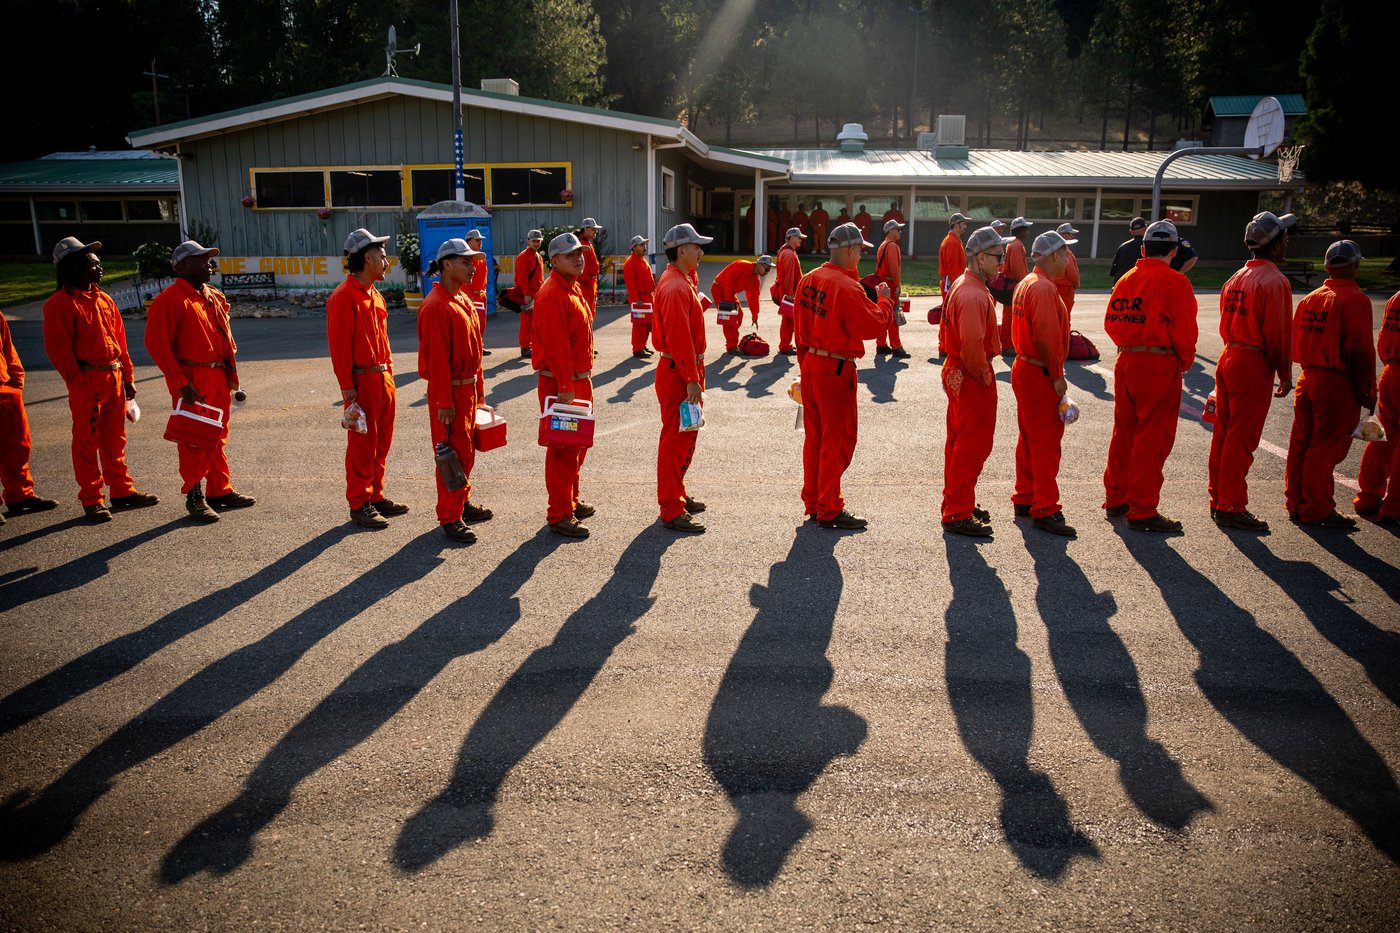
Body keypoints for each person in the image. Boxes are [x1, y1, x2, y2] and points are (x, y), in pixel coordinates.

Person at [43, 237, 158, 523]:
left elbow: (121, 343)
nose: (99, 269)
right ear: (72, 267)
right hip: (88, 382)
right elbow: (59, 350)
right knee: (86, 442)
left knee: (114, 439)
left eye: (98, 264)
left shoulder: (104, 299)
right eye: (92, 264)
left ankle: (121, 490)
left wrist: (128, 379)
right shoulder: (59, 304)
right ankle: (92, 498)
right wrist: (78, 382)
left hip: (114, 377)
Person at [145, 240, 254, 524]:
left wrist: (231, 378)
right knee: (194, 438)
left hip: (218, 376)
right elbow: (157, 345)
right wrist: (180, 382)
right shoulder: (169, 300)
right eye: (201, 260)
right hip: (193, 378)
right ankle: (195, 497)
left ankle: (219, 490)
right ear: (182, 266)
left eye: (209, 259)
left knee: (217, 435)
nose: (209, 264)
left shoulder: (212, 295)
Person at [794, 222, 893, 529]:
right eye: (860, 251)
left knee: (815, 438)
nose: (860, 256)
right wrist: (885, 300)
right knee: (837, 440)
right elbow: (874, 326)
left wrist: (803, 369)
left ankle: (814, 500)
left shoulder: (809, 279)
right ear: (850, 250)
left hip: (812, 363)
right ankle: (829, 506)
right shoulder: (847, 287)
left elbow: (799, 328)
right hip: (835, 369)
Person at [1101, 220, 1198, 532]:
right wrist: (1182, 361)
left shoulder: (1127, 278)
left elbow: (1111, 322)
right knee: (1152, 437)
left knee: (1124, 431)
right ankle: (1143, 508)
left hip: (1126, 358)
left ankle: (1116, 497)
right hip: (1158, 362)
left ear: (1143, 248)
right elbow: (1184, 331)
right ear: (1172, 250)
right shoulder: (1175, 282)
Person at [1207, 211, 1296, 532]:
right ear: (1274, 245)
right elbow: (1278, 334)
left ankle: (1219, 497)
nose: (1287, 243)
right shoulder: (1274, 281)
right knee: (1241, 437)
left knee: (1224, 433)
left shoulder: (1236, 277)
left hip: (1229, 355)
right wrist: (1285, 374)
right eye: (1285, 238)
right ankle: (1231, 503)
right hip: (1251, 363)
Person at [1285, 239, 1377, 528]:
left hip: (1308, 377)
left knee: (1302, 442)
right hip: (1336, 382)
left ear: (1326, 267)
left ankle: (1297, 501)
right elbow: (1361, 350)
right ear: (1356, 266)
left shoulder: (1311, 297)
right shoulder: (1355, 300)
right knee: (1325, 447)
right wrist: (1367, 391)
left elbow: (1295, 345)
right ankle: (1317, 507)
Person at [327, 228, 408, 530]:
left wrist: (389, 373)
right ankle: (359, 502)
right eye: (381, 256)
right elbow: (339, 348)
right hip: (361, 381)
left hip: (382, 378)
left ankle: (376, 493)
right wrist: (348, 391)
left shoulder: (374, 295)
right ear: (365, 258)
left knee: (381, 442)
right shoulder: (344, 297)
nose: (386, 261)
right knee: (362, 444)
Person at [940, 226, 1012, 537]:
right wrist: (984, 377)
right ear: (980, 256)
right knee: (972, 444)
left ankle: (959, 501)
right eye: (998, 257)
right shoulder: (971, 292)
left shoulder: (968, 285)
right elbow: (971, 345)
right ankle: (957, 510)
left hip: (960, 370)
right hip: (970, 374)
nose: (1002, 264)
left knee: (959, 443)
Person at [418, 238, 490, 544]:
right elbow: (436, 362)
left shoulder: (461, 299)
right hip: (449, 393)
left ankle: (461, 501)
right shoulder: (436, 306)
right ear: (447, 264)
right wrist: (444, 402)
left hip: (467, 390)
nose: (473, 267)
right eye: (465, 262)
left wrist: (480, 395)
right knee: (451, 455)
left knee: (466, 451)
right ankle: (450, 516)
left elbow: (476, 353)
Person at [1010, 231, 1078, 536]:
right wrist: (1057, 375)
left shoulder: (1027, 283)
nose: (1067, 259)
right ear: (1052, 255)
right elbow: (1047, 337)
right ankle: (1045, 507)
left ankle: (1026, 496)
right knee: (1046, 443)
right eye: (1065, 254)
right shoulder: (1045, 289)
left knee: (1028, 438)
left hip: (1025, 367)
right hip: (1038, 372)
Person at [533, 232, 596, 538]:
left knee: (576, 445)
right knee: (562, 450)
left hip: (576, 381)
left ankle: (569, 499)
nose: (578, 258)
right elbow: (556, 347)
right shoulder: (552, 294)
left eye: (580, 253)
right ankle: (559, 513)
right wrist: (565, 388)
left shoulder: (571, 288)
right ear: (554, 261)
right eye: (571, 255)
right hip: (563, 384)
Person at [652, 223, 712, 533]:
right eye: (696, 246)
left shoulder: (681, 281)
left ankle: (676, 494)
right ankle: (670, 508)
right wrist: (692, 377)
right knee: (675, 440)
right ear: (681, 251)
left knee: (686, 433)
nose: (701, 251)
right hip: (679, 370)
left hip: (684, 368)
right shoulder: (675, 285)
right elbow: (678, 336)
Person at [0, 312, 59, 525]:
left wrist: (16, 381)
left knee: (18, 445)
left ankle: (20, 495)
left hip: (5, 387)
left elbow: (8, 346)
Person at [1355, 289, 1400, 525]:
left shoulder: (1396, 297)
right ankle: (1395, 506)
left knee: (1385, 437)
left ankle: (1369, 496)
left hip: (1392, 369)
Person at [711, 254, 772, 355]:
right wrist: (728, 303)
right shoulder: (742, 265)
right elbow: (727, 281)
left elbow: (753, 298)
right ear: (760, 265)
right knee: (729, 319)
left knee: (738, 315)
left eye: (769, 270)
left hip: (730, 293)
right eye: (766, 269)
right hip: (720, 289)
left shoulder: (755, 280)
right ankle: (731, 346)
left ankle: (732, 341)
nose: (767, 272)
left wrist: (755, 316)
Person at [874, 219, 910, 358]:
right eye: (897, 229)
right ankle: (896, 346)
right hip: (889, 284)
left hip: (882, 284)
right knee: (894, 316)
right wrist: (897, 285)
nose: (900, 231)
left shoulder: (883, 245)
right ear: (890, 231)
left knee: (883, 314)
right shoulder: (893, 246)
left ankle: (881, 344)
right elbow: (894, 268)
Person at [998, 217, 1032, 353]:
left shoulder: (1013, 243)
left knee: (1009, 316)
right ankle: (1007, 345)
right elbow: (1018, 269)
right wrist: (1025, 286)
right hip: (1016, 286)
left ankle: (1008, 344)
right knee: (1010, 317)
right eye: (1026, 229)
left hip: (1012, 286)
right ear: (1020, 230)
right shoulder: (1017, 245)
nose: (1028, 232)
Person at [774, 226, 805, 355]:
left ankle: (785, 344)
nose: (801, 240)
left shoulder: (786, 251)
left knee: (788, 320)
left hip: (786, 290)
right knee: (789, 320)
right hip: (789, 292)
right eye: (799, 238)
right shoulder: (789, 254)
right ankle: (785, 346)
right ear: (791, 238)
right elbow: (788, 276)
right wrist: (790, 295)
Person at [623, 234, 656, 358]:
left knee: (646, 324)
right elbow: (630, 284)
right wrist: (636, 299)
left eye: (644, 244)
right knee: (639, 325)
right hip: (640, 299)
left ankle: (642, 346)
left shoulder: (642, 260)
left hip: (647, 297)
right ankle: (637, 349)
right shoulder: (630, 263)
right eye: (642, 245)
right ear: (634, 247)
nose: (645, 247)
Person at [514, 229, 545, 358]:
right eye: (533, 241)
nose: (536, 243)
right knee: (526, 322)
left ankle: (531, 345)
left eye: (538, 241)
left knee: (535, 322)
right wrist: (526, 294)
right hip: (528, 294)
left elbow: (540, 277)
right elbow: (522, 278)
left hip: (537, 294)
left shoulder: (538, 256)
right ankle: (525, 347)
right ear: (528, 241)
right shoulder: (523, 257)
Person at [464, 228, 491, 356]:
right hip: (473, 296)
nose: (480, 242)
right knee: (473, 323)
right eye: (477, 240)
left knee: (481, 323)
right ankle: (472, 348)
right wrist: (469, 297)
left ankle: (479, 346)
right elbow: (464, 280)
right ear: (469, 242)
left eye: (481, 240)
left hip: (481, 295)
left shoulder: (480, 257)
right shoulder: (467, 259)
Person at [1052, 222, 1082, 315]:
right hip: (1065, 289)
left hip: (1055, 286)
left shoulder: (1052, 250)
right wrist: (1076, 283)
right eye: (1070, 234)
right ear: (1062, 235)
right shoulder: (1066, 252)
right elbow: (1072, 272)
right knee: (1064, 315)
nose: (1072, 236)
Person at [1108, 217, 1147, 284]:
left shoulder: (1123, 246)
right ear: (1146, 228)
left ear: (1131, 231)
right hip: (1138, 283)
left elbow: (1113, 271)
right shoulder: (1148, 246)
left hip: (1120, 282)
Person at [578, 218, 602, 321]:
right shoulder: (582, 245)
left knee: (589, 315)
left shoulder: (587, 243)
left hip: (590, 285)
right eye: (593, 229)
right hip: (586, 286)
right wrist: (588, 283)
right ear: (585, 229)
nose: (596, 232)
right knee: (585, 316)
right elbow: (582, 269)